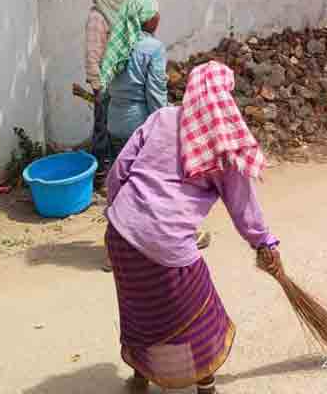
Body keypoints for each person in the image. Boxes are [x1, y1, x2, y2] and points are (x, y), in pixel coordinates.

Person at [104, 62, 279, 393]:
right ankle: (205, 383)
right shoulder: (224, 144)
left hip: (120, 232)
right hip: (165, 241)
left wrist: (117, 214)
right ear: (225, 97)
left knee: (140, 307)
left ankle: (141, 376)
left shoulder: (162, 118)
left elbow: (119, 172)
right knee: (199, 311)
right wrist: (263, 242)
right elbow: (243, 207)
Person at [100, 0, 166, 157]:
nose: (158, 17)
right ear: (145, 17)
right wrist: (164, 126)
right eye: (154, 12)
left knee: (121, 175)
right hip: (139, 126)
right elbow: (155, 94)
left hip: (114, 122)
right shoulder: (153, 48)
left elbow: (106, 87)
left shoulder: (115, 45)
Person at [86, 0, 127, 169]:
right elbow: (92, 54)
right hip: (104, 83)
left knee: (116, 129)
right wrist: (98, 85)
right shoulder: (98, 17)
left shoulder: (115, 13)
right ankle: (101, 171)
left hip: (118, 83)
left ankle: (113, 170)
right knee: (103, 128)